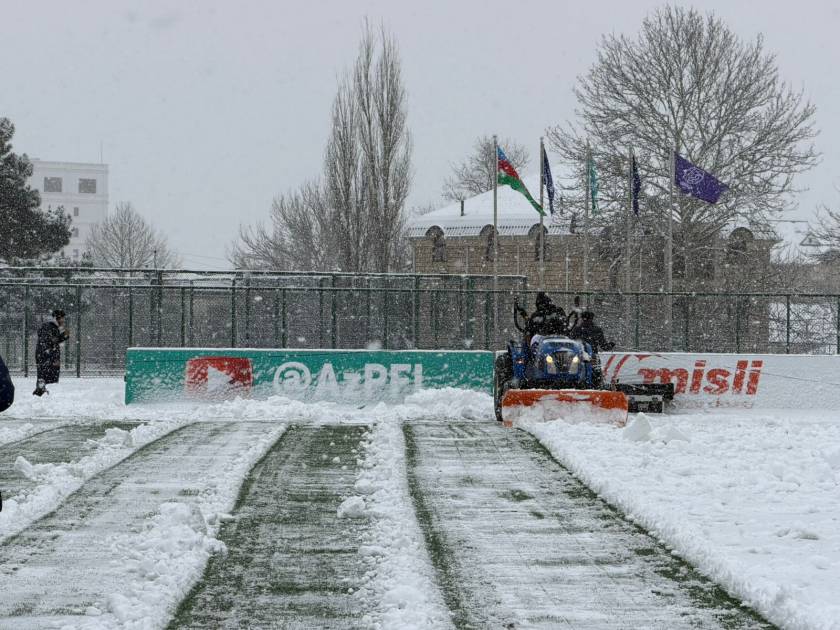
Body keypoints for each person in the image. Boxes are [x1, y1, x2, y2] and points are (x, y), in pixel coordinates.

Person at [34, 309, 70, 396]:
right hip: (46, 357)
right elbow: (47, 345)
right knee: (47, 378)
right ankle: (41, 396)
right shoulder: (49, 327)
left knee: (45, 378)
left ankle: (42, 395)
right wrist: (53, 359)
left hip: (46, 356)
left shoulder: (52, 327)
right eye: (62, 318)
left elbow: (53, 341)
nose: (64, 320)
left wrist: (63, 336)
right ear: (57, 318)